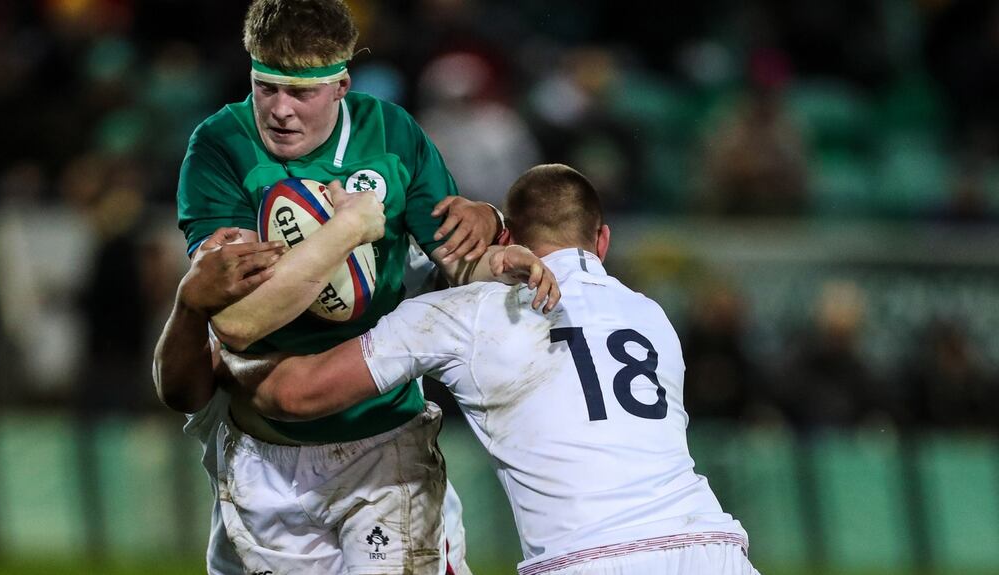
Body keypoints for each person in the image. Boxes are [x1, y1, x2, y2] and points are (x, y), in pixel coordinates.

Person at [154, 0, 553, 573]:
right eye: (267, 89)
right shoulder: (218, 145)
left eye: (302, 94)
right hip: (264, 455)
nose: (281, 111)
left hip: (383, 442)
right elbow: (243, 319)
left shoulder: (391, 132)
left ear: (340, 85)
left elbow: (457, 263)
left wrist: (499, 261)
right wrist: (350, 229)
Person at [224, 164, 758, 575]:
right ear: (603, 241)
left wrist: (227, 348)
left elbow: (295, 396)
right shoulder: (652, 316)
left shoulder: (470, 314)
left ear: (507, 240)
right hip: (711, 547)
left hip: (583, 558)